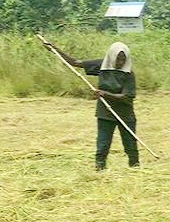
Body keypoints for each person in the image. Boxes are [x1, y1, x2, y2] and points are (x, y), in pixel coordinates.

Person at [43, 40, 139, 170]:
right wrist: (55, 50)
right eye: (118, 60)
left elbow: (126, 96)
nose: (120, 63)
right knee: (103, 144)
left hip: (124, 114)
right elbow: (75, 63)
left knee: (130, 144)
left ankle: (135, 168)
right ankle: (100, 169)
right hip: (105, 113)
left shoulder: (128, 74)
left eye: (123, 60)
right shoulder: (102, 65)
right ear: (111, 57)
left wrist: (105, 94)